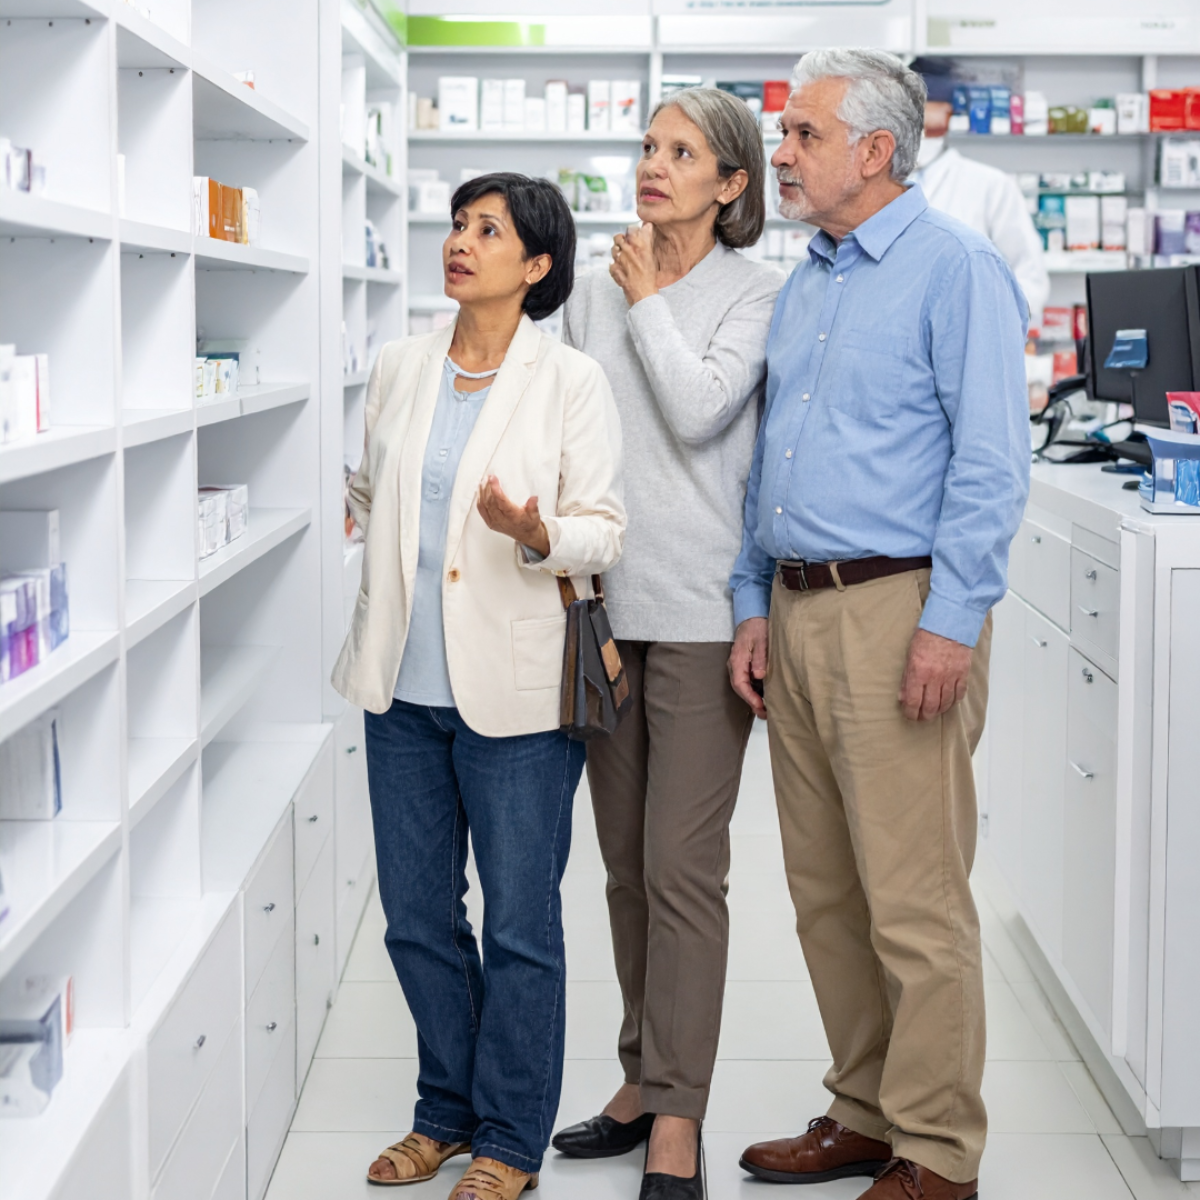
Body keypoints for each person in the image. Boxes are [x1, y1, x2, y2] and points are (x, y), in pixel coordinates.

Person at [728, 49, 1029, 1200]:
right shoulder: (809, 274)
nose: (783, 154)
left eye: (802, 134)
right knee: (826, 893)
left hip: (900, 610)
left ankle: (938, 1150)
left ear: (874, 150)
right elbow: (772, 459)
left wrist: (950, 627)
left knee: (914, 899)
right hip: (799, 611)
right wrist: (755, 599)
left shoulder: (955, 269)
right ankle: (863, 1111)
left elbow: (995, 464)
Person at [331, 172, 625, 1200]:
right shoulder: (399, 364)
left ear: (536, 265)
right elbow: (373, 487)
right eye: (457, 224)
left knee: (517, 925)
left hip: (516, 697)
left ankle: (506, 1138)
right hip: (402, 690)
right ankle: (442, 1113)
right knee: (415, 917)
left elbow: (603, 529)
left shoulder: (569, 381)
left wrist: (535, 532)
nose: (460, 242)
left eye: (487, 230)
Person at [550, 88, 783, 1200]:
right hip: (600, 614)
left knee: (686, 871)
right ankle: (640, 1077)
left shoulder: (756, 293)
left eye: (683, 152)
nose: (655, 165)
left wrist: (645, 303)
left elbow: (697, 412)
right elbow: (572, 427)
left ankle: (680, 1113)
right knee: (626, 868)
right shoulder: (597, 291)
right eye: (648, 146)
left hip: (696, 616)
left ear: (731, 184)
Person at [910, 59, 1050, 323]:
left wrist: (989, 327)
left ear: (949, 112)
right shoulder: (877, 182)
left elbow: (1030, 277)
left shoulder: (989, 184)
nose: (914, 119)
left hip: (968, 335)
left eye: (924, 108)